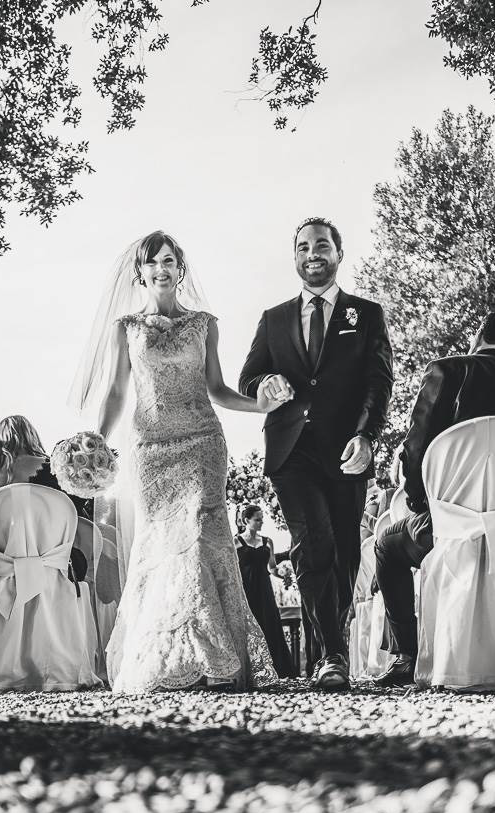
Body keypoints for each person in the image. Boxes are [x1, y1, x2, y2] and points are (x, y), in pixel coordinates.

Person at [81, 230, 285, 694]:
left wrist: (259, 406)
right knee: (162, 544)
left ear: (181, 269)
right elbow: (116, 392)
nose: (162, 268)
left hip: (202, 444)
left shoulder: (205, 324)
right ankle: (173, 658)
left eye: (170, 260)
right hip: (150, 449)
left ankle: (217, 658)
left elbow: (217, 387)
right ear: (140, 272)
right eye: (153, 262)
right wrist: (99, 438)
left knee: (199, 536)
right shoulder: (126, 328)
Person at [239, 216, 393, 689]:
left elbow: (378, 381)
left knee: (346, 548)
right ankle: (332, 654)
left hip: (348, 449)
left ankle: (331, 646)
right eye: (303, 247)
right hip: (292, 450)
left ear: (338, 254)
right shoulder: (274, 318)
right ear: (295, 258)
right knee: (314, 541)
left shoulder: (365, 314)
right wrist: (266, 382)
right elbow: (248, 378)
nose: (312, 254)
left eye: (321, 245)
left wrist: (367, 436)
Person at [374, 309, 495, 685]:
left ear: (478, 337)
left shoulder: (446, 370)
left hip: (448, 530)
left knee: (384, 546)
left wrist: (422, 507)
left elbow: (415, 454)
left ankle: (406, 655)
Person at [0, 415, 88, 583]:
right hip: (54, 565)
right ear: (32, 437)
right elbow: (72, 514)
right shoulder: (53, 469)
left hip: (3, 569)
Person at [235, 504, 295, 677]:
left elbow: (272, 568)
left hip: (264, 589)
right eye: (257, 519)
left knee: (269, 625)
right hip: (246, 590)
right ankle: (249, 670)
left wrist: (283, 574)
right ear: (247, 521)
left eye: (262, 519)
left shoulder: (268, 541)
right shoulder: (236, 541)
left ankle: (275, 670)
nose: (261, 522)